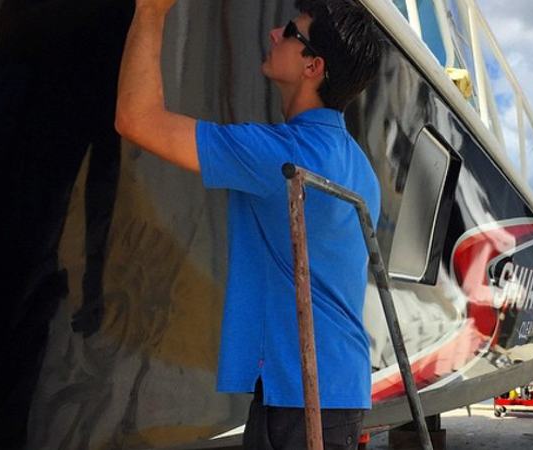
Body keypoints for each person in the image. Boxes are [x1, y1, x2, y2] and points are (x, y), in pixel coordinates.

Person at [115, 0, 384, 448]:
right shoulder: (357, 165)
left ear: (313, 66)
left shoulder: (280, 155)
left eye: (291, 34)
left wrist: (151, 12)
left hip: (303, 393)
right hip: (336, 387)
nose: (275, 33)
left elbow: (136, 119)